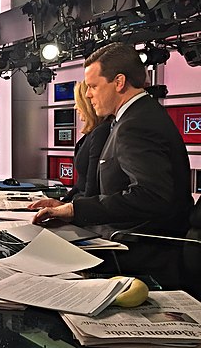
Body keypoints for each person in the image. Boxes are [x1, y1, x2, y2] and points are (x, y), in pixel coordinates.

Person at [32, 42, 192, 286]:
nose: (87, 95)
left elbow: (150, 196)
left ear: (119, 82)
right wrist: (70, 207)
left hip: (141, 255)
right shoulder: (136, 116)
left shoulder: (136, 124)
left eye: (93, 86)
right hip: (133, 246)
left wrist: (76, 210)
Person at [31, 81, 111, 206]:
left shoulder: (101, 132)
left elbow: (92, 189)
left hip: (88, 213)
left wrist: (69, 211)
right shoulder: (92, 133)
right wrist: (60, 204)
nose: (75, 107)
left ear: (87, 104)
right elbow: (81, 183)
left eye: (77, 102)